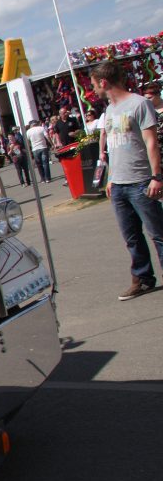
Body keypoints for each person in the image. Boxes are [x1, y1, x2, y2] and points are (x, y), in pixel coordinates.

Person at [93, 60, 163, 301]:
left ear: (103, 82)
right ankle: (143, 279)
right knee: (131, 237)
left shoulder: (139, 104)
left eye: (94, 84)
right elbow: (112, 148)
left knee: (158, 233)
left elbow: (151, 142)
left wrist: (156, 177)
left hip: (142, 181)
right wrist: (111, 178)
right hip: (120, 184)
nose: (93, 90)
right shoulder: (109, 111)